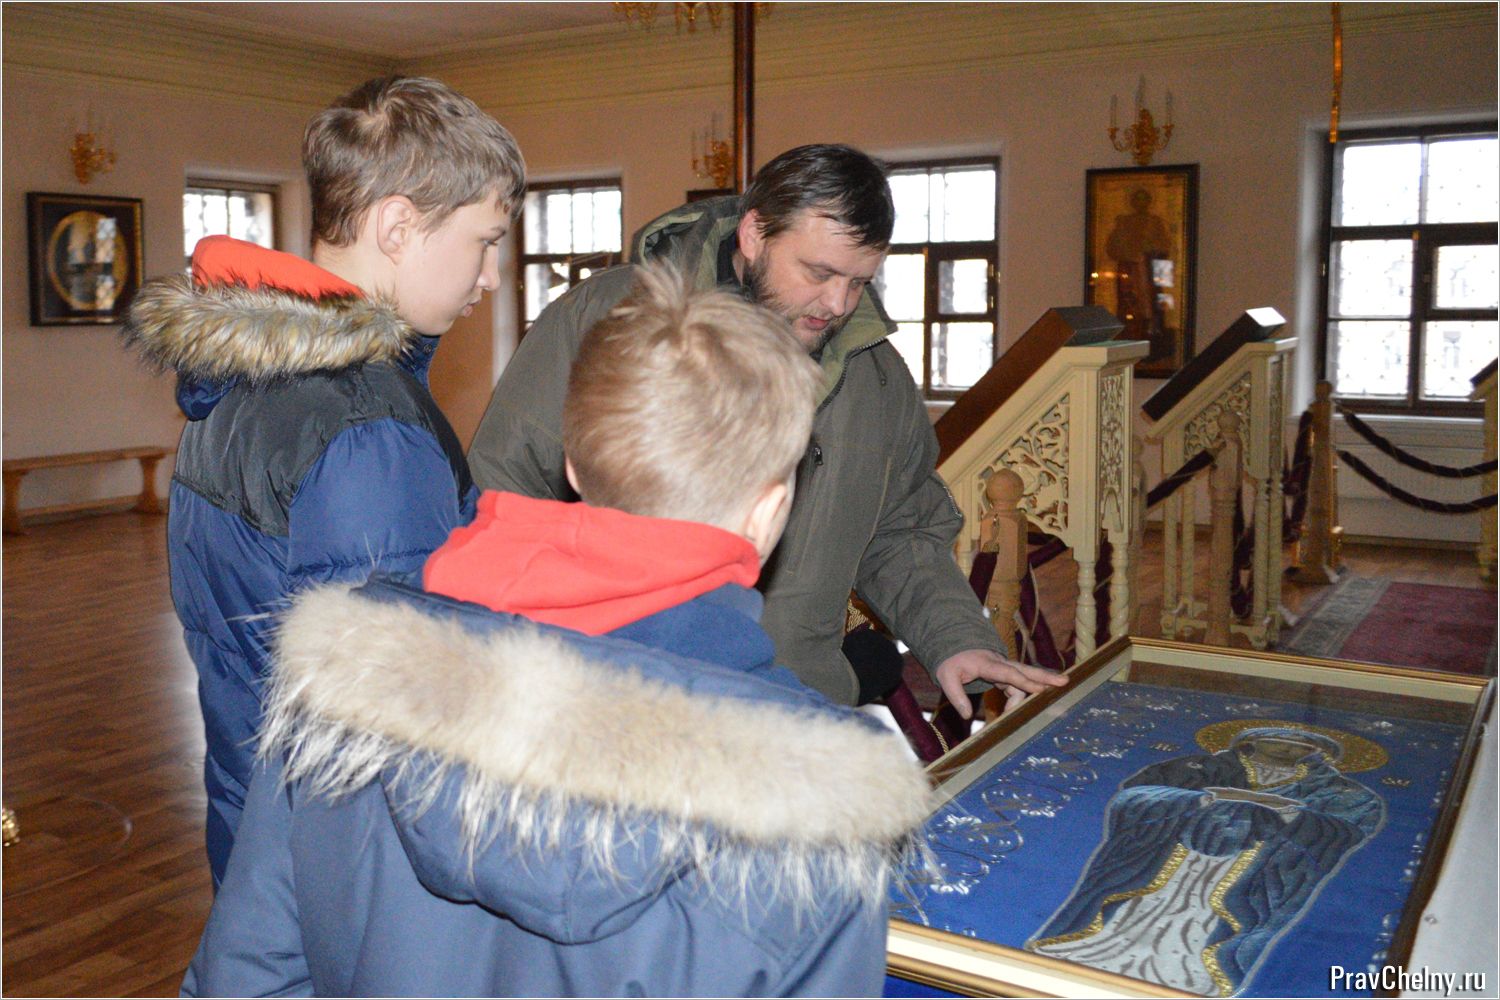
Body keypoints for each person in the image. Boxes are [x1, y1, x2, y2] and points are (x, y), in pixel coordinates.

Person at [180, 265, 934, 997]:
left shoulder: (349, 673)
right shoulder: (816, 805)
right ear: (770, 513)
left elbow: (249, 975)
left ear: (574, 464)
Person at [468, 143, 1065, 714]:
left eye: (859, 281)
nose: (838, 303)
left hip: (796, 709)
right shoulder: (604, 320)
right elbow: (501, 493)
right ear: (754, 234)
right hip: (618, 703)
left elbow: (901, 532)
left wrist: (957, 639)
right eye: (818, 271)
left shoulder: (877, 376)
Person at [120, 75, 525, 888]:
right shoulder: (363, 426)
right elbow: (398, 721)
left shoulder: (240, 380)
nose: (490, 277)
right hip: (350, 870)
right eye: (484, 241)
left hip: (263, 832)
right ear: (398, 227)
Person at [1027, 724, 1383, 995]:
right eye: (1277, 740)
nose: (1289, 747)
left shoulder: (1336, 789)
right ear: (1250, 741)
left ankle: (1198, 972)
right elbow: (1136, 794)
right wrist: (1198, 802)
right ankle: (1100, 949)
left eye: (1302, 746)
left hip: (1251, 867)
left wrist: (1290, 818)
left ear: (1317, 753)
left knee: (1209, 924)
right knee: (1145, 909)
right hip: (1174, 858)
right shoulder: (1198, 766)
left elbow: (1350, 826)